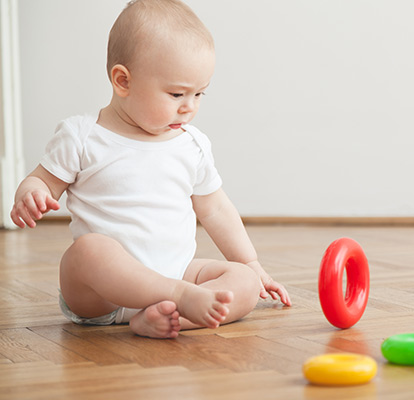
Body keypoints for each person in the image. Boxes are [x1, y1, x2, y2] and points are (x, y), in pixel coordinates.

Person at [10, 0, 291, 339]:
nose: (189, 107)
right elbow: (43, 180)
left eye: (199, 93)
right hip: (102, 296)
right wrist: (31, 194)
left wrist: (251, 264)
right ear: (123, 81)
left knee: (242, 284)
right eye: (177, 94)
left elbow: (215, 208)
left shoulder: (192, 145)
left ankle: (169, 317)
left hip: (178, 272)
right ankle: (178, 299)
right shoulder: (83, 136)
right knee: (87, 251)